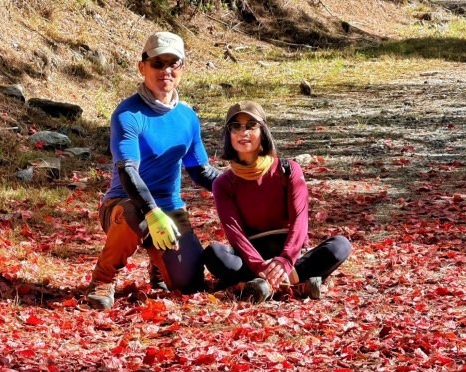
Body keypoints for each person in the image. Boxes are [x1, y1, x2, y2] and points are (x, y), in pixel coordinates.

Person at [84, 31, 219, 310]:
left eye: (173, 63)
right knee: (135, 214)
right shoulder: (127, 114)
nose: (165, 71)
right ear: (142, 67)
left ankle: (159, 264)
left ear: (182, 68)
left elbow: (201, 171)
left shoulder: (187, 117)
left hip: (170, 209)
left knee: (191, 284)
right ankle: (103, 278)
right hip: (124, 207)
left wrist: (242, 183)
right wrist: (151, 211)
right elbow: (127, 171)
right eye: (157, 63)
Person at [203, 101, 351, 303]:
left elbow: (300, 219)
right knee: (213, 253)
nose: (242, 132)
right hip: (251, 259)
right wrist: (260, 266)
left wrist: (285, 260)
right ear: (228, 134)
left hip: (292, 255)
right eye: (235, 126)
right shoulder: (223, 183)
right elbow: (234, 233)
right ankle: (297, 283)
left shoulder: (288, 170)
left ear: (263, 130)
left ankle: (259, 286)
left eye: (250, 126)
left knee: (340, 246)